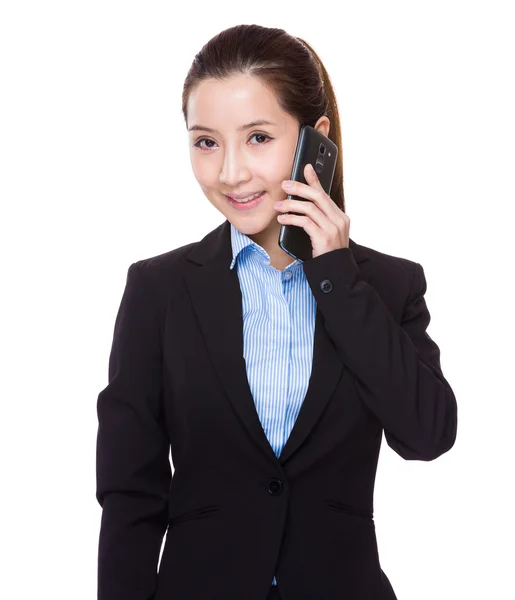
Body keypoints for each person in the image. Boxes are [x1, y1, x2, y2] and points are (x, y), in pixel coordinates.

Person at [95, 23, 458, 600]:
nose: (230, 172)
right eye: (206, 141)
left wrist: (336, 274)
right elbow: (129, 493)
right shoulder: (157, 291)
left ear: (317, 141)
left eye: (258, 137)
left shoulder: (386, 286)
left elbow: (427, 434)